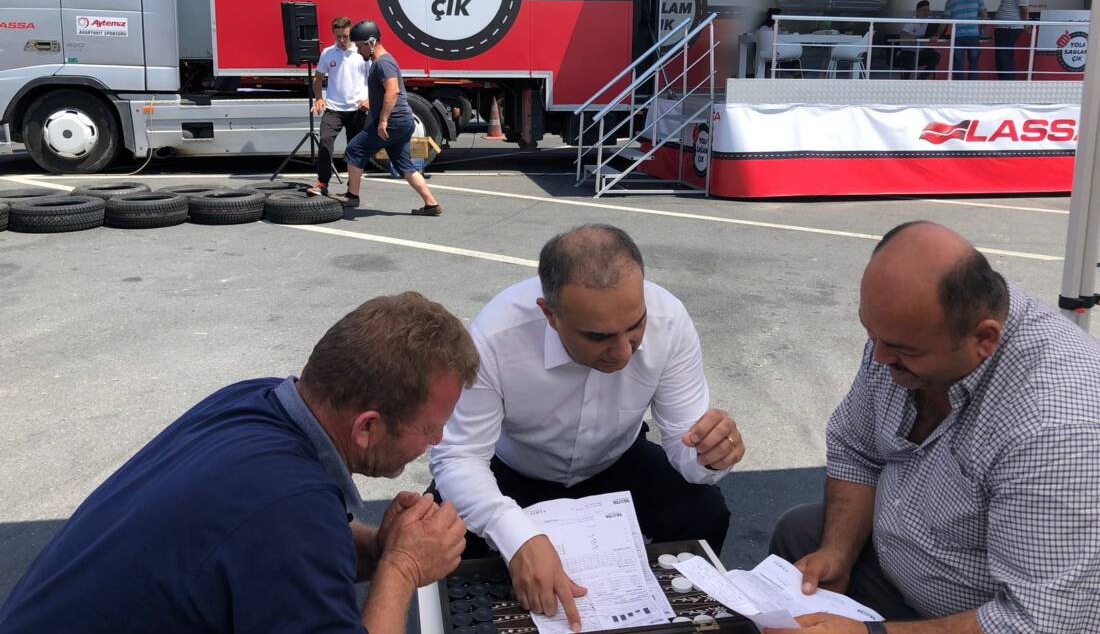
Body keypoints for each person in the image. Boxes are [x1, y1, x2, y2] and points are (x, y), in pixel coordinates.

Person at [0, 293, 480, 634]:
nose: (438, 440)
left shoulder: (256, 400)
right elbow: (286, 528)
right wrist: (402, 567)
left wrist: (379, 547)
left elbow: (274, 540)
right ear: (367, 427)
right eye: (429, 428)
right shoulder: (290, 509)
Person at [766, 221, 1100, 634]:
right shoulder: (910, 331)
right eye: (871, 333)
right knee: (800, 536)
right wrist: (839, 551)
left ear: (984, 339)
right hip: (903, 560)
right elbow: (856, 448)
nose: (879, 357)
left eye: (902, 350)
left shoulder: (1057, 429)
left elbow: (1039, 622)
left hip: (981, 615)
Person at [430, 224, 744, 632]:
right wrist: (516, 537)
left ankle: (675, 619)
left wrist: (711, 455)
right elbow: (459, 456)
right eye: (599, 337)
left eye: (635, 326)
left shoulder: (670, 319)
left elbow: (686, 443)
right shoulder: (496, 335)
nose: (623, 352)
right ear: (550, 315)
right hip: (512, 470)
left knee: (705, 510)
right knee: (438, 535)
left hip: (616, 460)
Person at [317, 20, 441, 215]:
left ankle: (352, 195)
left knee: (354, 149)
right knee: (404, 165)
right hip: (402, 123)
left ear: (371, 42)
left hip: (393, 122)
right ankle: (431, 204)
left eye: (360, 46)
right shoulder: (381, 61)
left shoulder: (383, 63)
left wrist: (383, 121)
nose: (359, 51)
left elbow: (392, 91)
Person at [310, 15, 370, 197]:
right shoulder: (328, 53)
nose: (342, 40)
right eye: (338, 37)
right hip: (334, 108)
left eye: (345, 36)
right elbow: (318, 78)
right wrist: (318, 99)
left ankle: (352, 187)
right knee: (325, 141)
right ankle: (322, 183)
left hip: (357, 109)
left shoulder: (362, 53)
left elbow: (374, 79)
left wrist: (369, 99)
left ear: (351, 34)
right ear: (333, 35)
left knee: (354, 149)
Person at [941, 0, 987, 80]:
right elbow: (984, 14)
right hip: (973, 35)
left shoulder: (950, 2)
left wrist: (937, 34)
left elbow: (944, 21)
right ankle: (972, 85)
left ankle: (959, 85)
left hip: (958, 36)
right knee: (974, 62)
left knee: (958, 63)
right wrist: (982, 28)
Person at [993, 0, 1031, 80]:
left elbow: (1024, 9)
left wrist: (1026, 24)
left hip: (1009, 29)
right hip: (1005, 28)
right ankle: (1005, 82)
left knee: (1004, 59)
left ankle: (1007, 84)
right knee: (1003, 58)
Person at [894, 1, 940, 79]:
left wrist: (936, 36)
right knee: (912, 56)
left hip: (921, 51)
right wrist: (915, 37)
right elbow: (902, 35)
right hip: (907, 51)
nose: (926, 13)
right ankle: (906, 79)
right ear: (917, 11)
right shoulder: (911, 21)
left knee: (935, 56)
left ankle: (921, 79)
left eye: (928, 10)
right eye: (924, 10)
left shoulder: (930, 21)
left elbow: (938, 29)